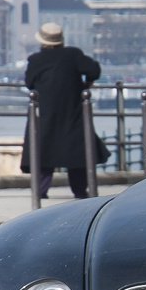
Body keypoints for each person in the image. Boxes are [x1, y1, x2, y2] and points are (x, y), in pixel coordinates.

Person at [24, 22, 108, 199]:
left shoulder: (36, 60)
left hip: (46, 112)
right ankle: (80, 191)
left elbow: (29, 82)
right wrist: (88, 82)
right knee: (76, 152)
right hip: (72, 110)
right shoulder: (73, 54)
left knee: (44, 152)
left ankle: (40, 191)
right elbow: (94, 69)